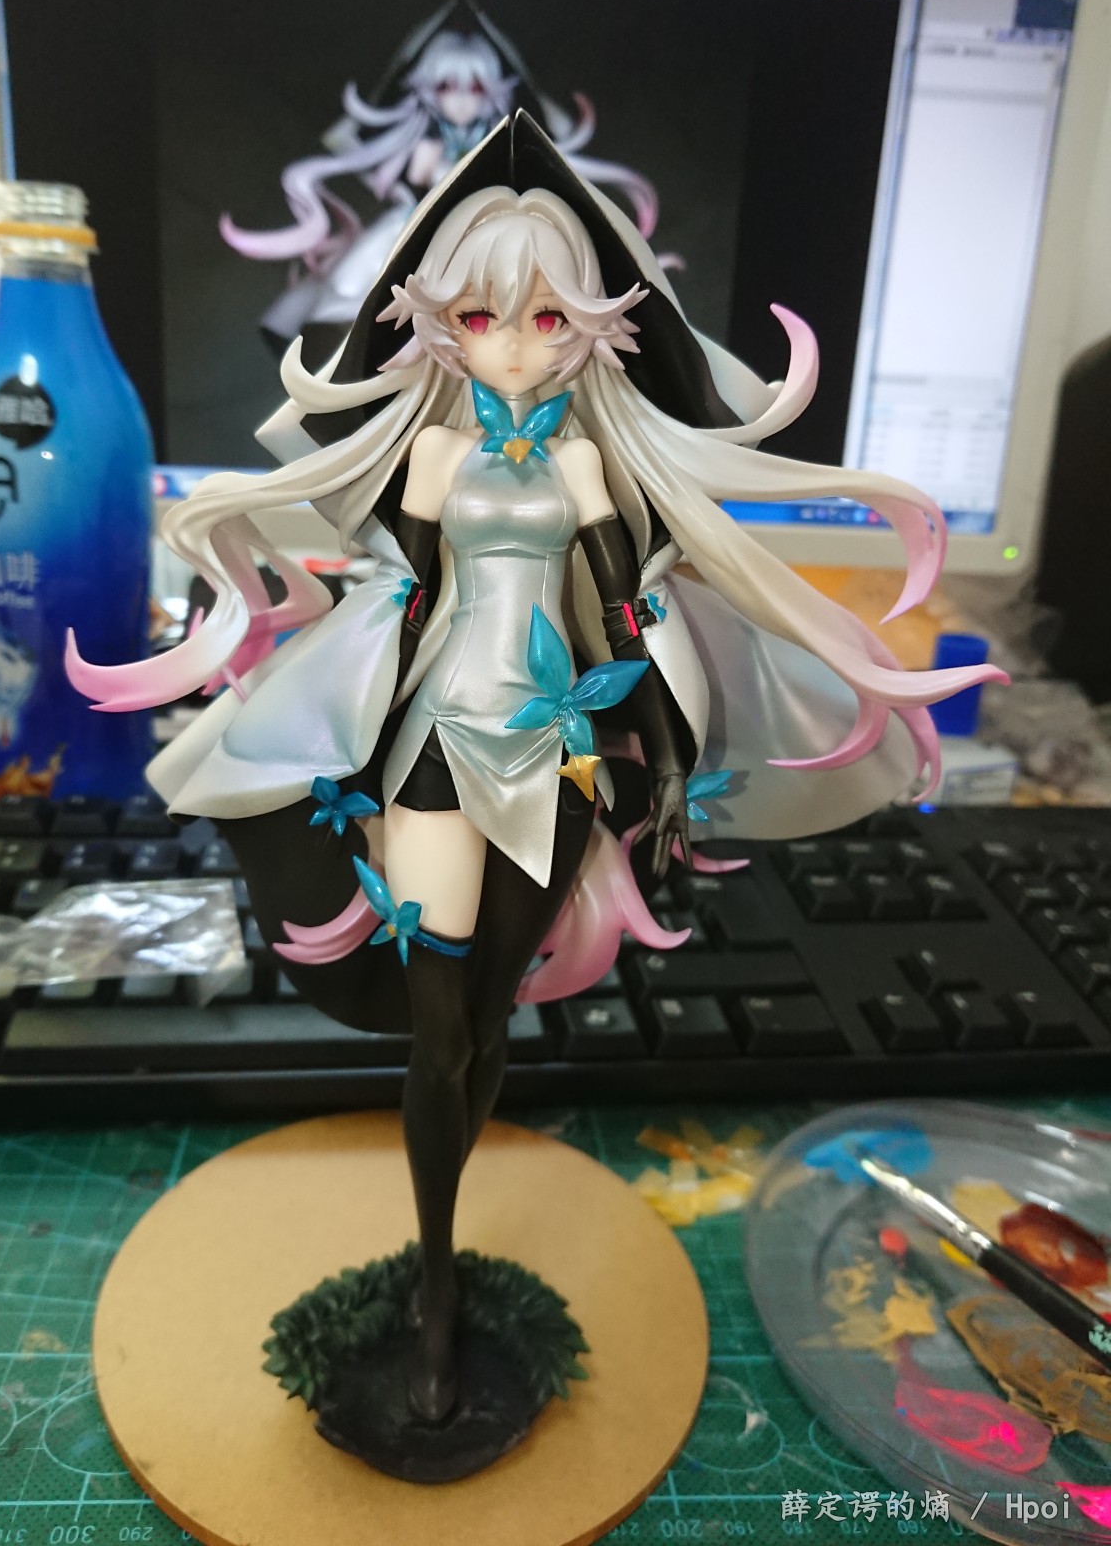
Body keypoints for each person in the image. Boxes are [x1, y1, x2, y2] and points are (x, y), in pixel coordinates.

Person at [68, 111, 1003, 1424]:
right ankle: (435, 1293)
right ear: (443, 325)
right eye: (483, 317)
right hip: (436, 751)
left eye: (548, 317)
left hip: (558, 750)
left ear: (590, 326)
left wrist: (666, 754)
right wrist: (318, 707)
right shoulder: (436, 453)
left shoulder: (583, 463)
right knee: (440, 1026)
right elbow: (394, 599)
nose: (514, 343)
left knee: (493, 1015)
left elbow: (627, 606)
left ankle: (444, 1252)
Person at [220, 0, 662, 341]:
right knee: (356, 283)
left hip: (486, 225)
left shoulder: (501, 136)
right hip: (424, 218)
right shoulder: (429, 134)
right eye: (449, 87)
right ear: (428, 90)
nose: (462, 100)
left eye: (475, 88)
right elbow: (419, 181)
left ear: (493, 91)